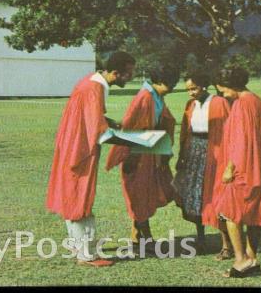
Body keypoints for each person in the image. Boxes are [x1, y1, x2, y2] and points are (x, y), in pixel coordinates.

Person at [46, 51, 136, 267]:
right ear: (116, 73)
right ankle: (85, 255)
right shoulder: (94, 88)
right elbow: (96, 129)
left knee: (73, 195)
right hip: (81, 151)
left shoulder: (89, 81)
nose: (131, 78)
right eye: (129, 74)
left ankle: (76, 245)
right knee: (80, 198)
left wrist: (109, 121)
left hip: (72, 146)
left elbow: (90, 116)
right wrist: (132, 141)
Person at [212, 67, 261, 278]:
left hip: (245, 168)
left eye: (223, 91)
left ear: (232, 86)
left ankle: (241, 259)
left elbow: (240, 141)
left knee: (230, 212)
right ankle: (252, 257)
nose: (223, 95)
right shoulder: (257, 101)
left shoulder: (242, 104)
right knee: (255, 213)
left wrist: (229, 168)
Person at [104, 66, 179, 251]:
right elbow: (130, 127)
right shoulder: (145, 97)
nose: (172, 88)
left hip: (150, 150)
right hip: (137, 153)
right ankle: (147, 239)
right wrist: (130, 156)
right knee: (139, 195)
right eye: (170, 84)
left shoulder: (157, 96)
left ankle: (136, 236)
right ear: (159, 82)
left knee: (149, 193)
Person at [174, 71, 233, 258]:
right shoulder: (190, 105)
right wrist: (182, 157)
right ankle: (201, 239)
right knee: (195, 198)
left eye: (194, 88)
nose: (191, 93)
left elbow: (228, 132)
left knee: (216, 197)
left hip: (214, 153)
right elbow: (185, 132)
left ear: (204, 85)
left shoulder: (219, 103)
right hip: (194, 154)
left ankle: (226, 245)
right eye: (188, 90)